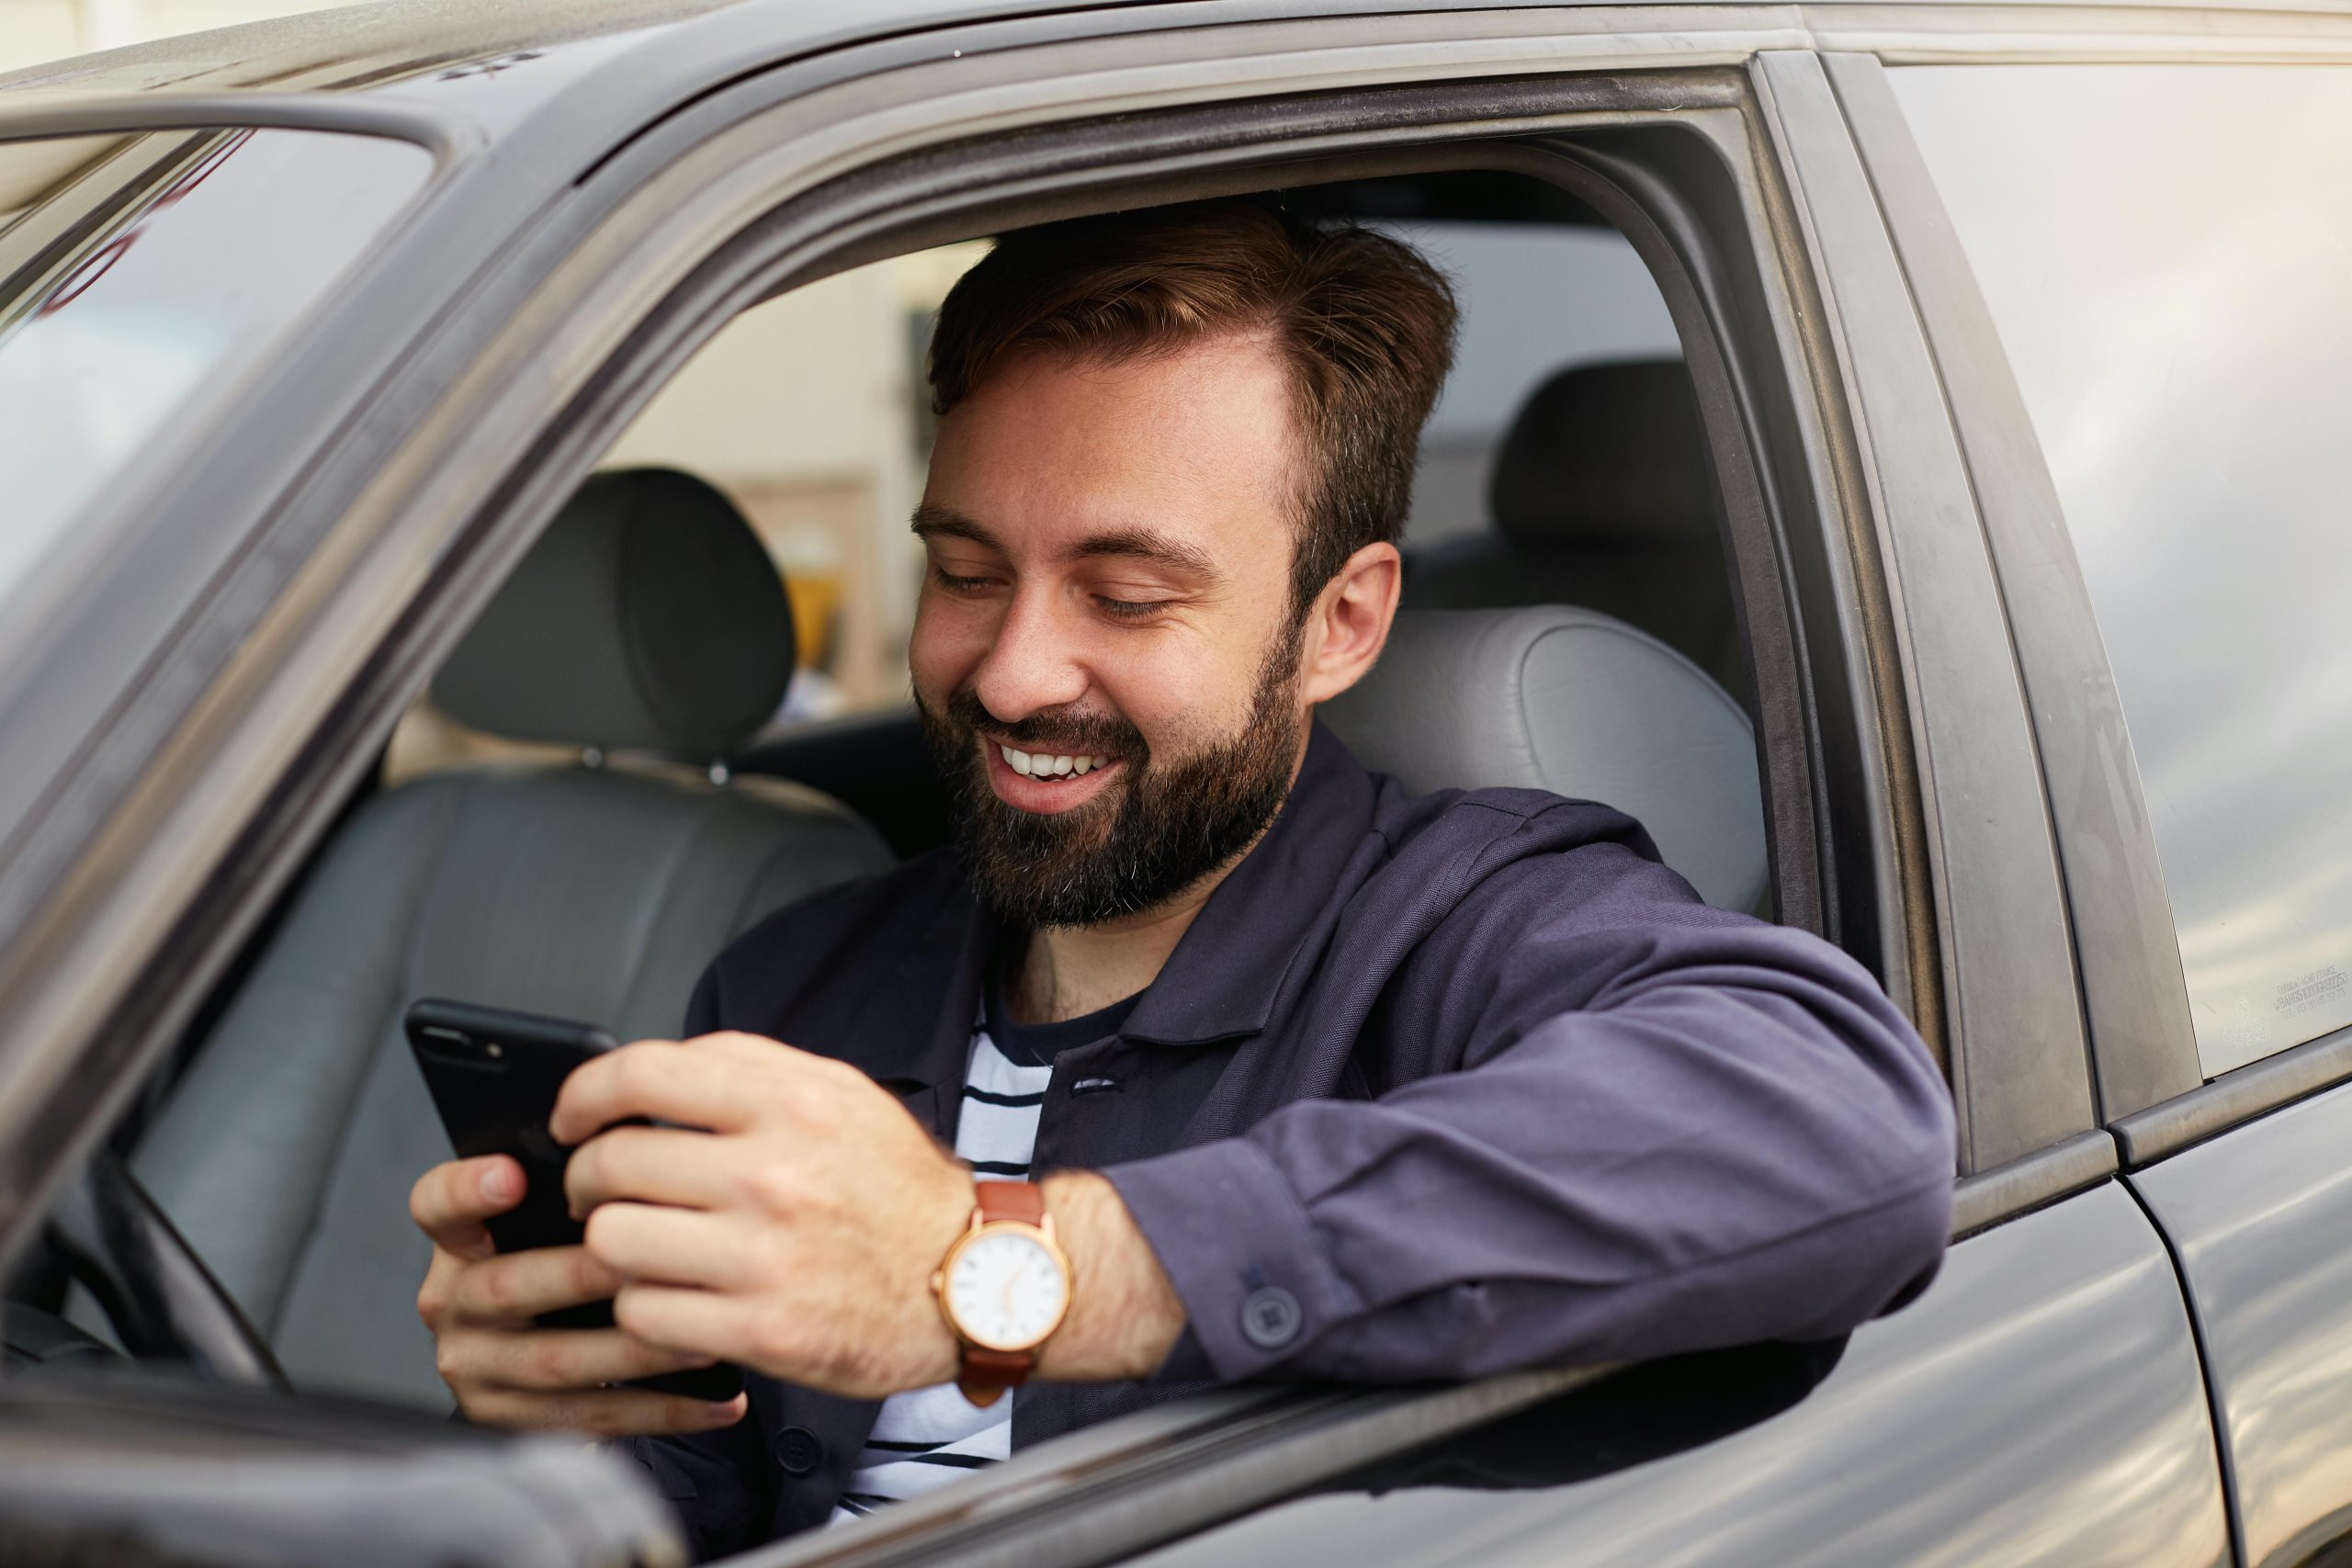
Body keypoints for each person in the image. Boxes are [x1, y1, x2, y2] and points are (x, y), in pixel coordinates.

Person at [407, 200, 1956, 1557]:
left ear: (1340, 625)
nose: (1012, 674)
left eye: (1128, 595)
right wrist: (573, 1434)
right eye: (963, 573)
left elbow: (1836, 1118)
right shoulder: (788, 985)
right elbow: (708, 1495)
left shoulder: (1463, 920)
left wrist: (1000, 1272)